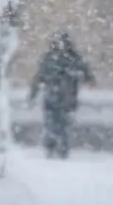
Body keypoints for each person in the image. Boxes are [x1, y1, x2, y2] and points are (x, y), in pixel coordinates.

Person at [28, 30, 95, 159]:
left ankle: (57, 147)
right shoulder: (63, 58)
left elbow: (39, 77)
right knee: (56, 124)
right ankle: (54, 147)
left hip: (63, 98)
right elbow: (39, 76)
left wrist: (34, 93)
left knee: (60, 124)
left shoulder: (68, 58)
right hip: (59, 97)